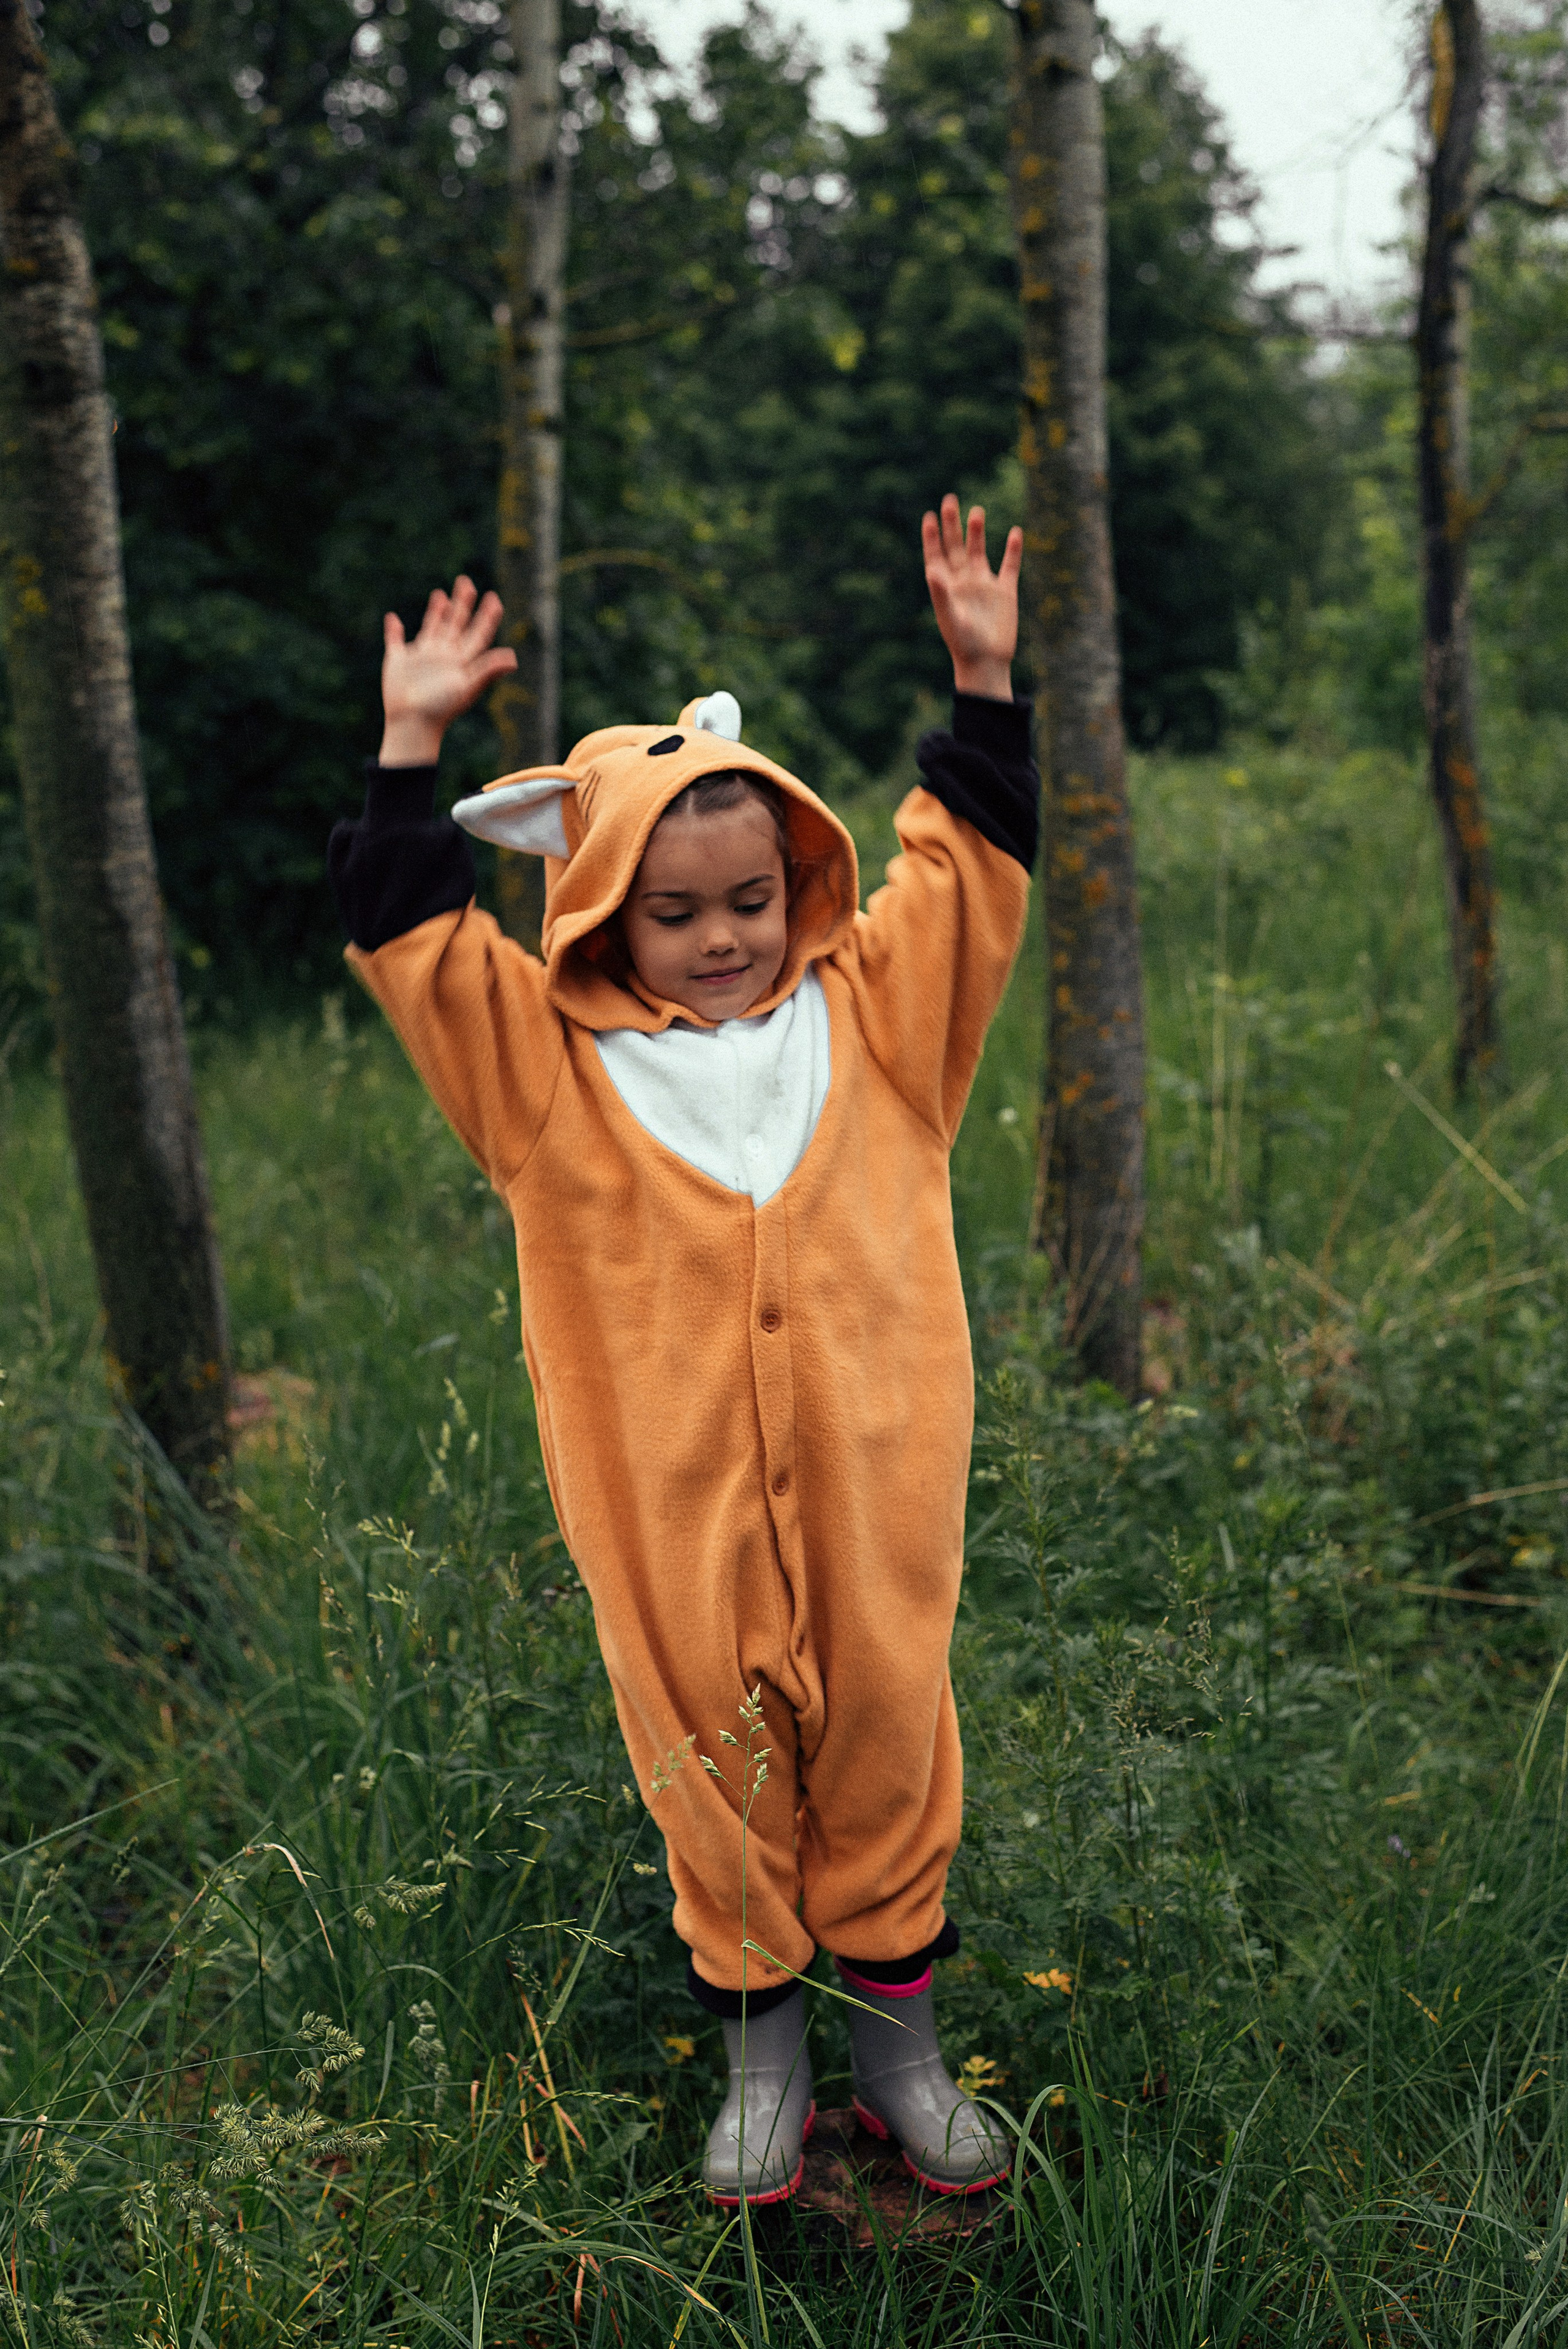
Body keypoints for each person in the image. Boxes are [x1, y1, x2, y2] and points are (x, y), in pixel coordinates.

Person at [328, 496, 1038, 2205]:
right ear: (594, 915)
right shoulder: (547, 1075)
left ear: (797, 880)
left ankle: (900, 2055)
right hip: (667, 1509)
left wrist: (987, 679)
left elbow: (971, 866)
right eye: (673, 912)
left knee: (885, 1731)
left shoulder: (875, 1018)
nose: (723, 937)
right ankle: (763, 2067)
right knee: (711, 1762)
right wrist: (410, 740)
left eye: (751, 897)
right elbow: (415, 939)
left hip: (879, 1485)